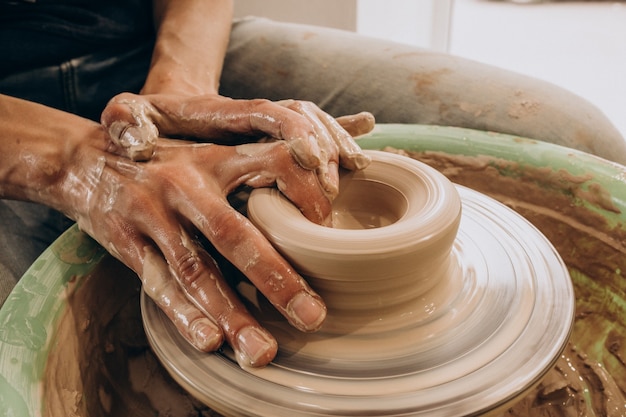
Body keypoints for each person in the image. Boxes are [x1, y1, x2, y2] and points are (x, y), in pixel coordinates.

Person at [1, 0, 625, 369]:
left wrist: (184, 86)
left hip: (149, 45)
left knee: (571, 138)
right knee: (27, 356)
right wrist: (71, 162)